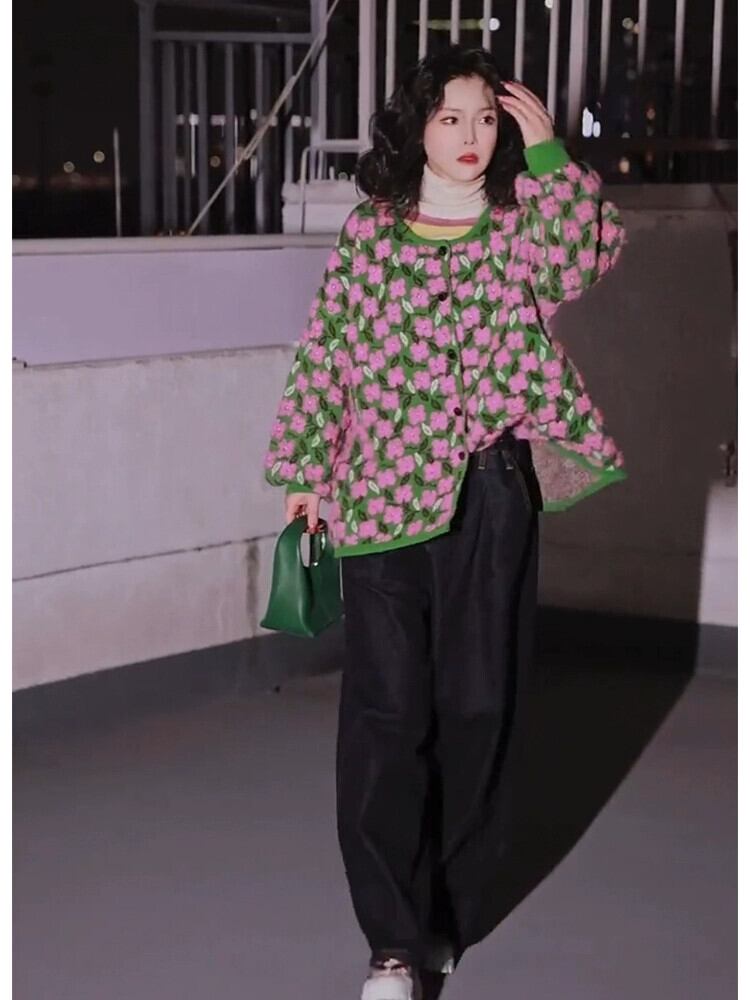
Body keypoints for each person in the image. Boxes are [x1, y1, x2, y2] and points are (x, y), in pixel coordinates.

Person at [264, 44, 627, 1000]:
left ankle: (444, 917)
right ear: (415, 127)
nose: (471, 136)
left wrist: (549, 155)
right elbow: (327, 352)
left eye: (487, 118)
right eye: (450, 117)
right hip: (380, 501)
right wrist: (305, 471)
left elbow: (585, 259)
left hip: (490, 495)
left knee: (479, 710)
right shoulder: (371, 234)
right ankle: (390, 945)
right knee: (385, 719)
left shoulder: (520, 225)